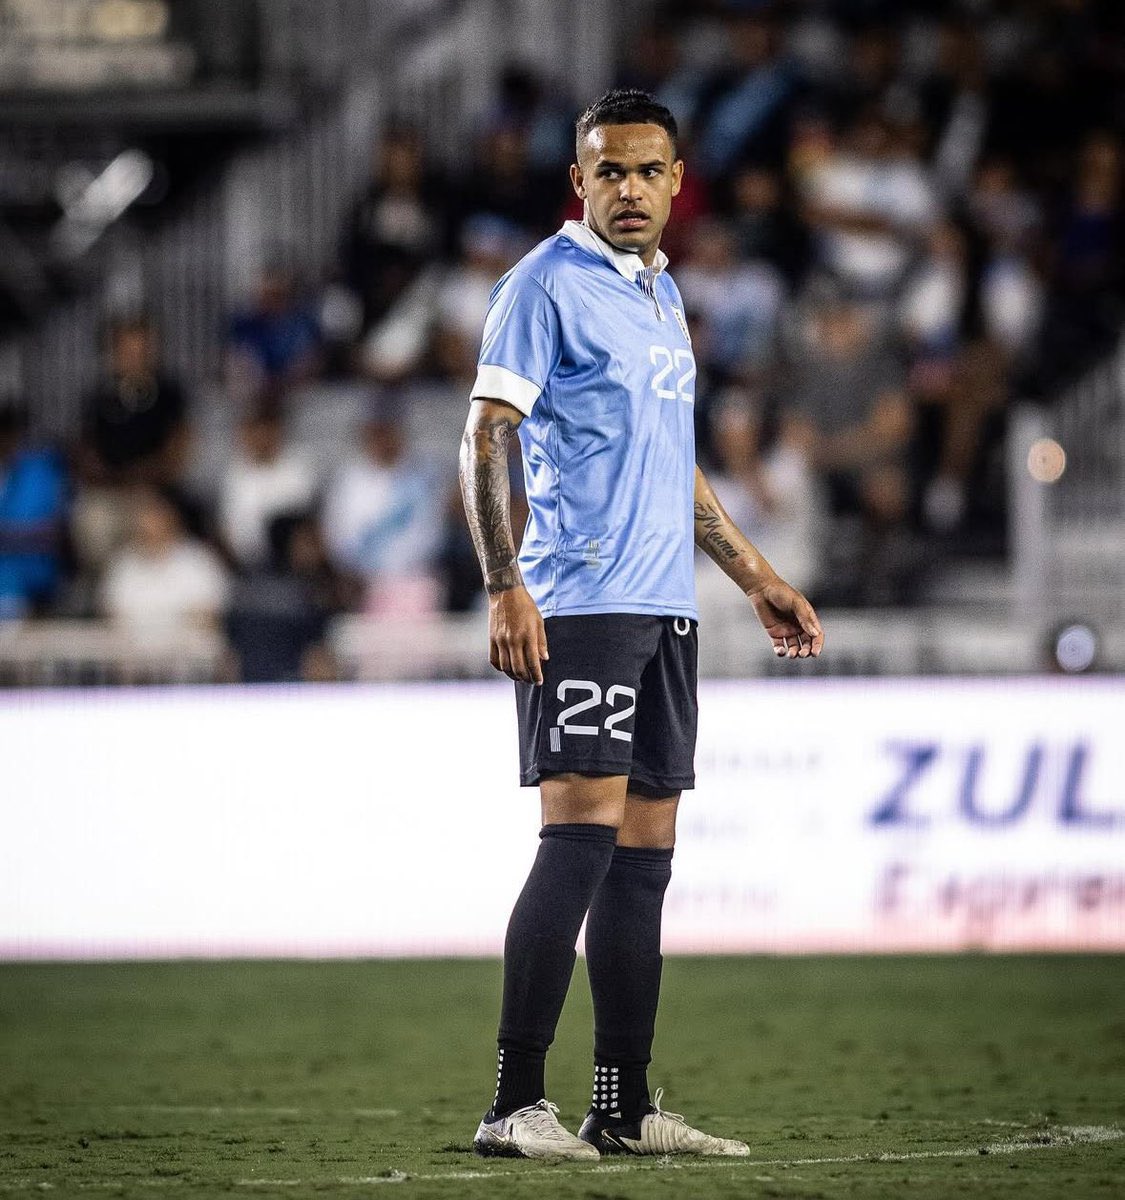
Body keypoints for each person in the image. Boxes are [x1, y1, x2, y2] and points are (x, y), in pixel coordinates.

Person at [458, 89, 823, 1162]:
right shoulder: (544, 286)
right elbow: (486, 434)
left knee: (644, 859)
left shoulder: (661, 295)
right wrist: (502, 582)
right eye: (608, 171)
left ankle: (619, 1105)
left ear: (676, 182)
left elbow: (676, 466)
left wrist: (754, 576)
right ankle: (513, 1102)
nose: (628, 189)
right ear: (579, 180)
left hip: (665, 610)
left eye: (647, 171)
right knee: (576, 843)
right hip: (582, 602)